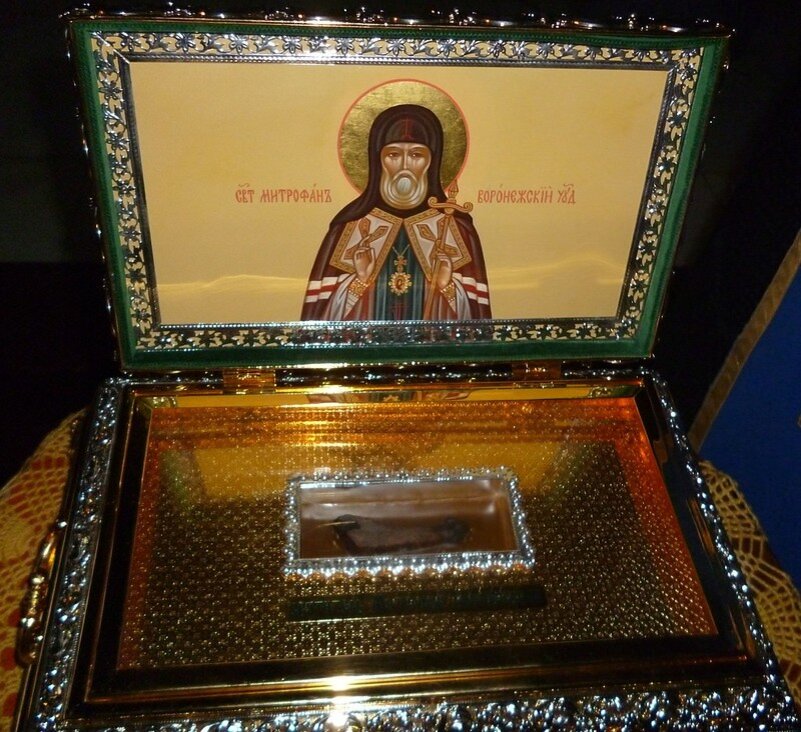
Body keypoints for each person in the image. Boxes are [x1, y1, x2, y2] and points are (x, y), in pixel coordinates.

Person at [301, 104, 491, 321]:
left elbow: (475, 321)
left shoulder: (455, 227)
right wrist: (359, 281)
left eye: (416, 155)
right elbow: (322, 322)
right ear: (378, 161)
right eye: (393, 154)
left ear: (431, 162)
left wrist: (446, 286)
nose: (404, 166)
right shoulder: (350, 225)